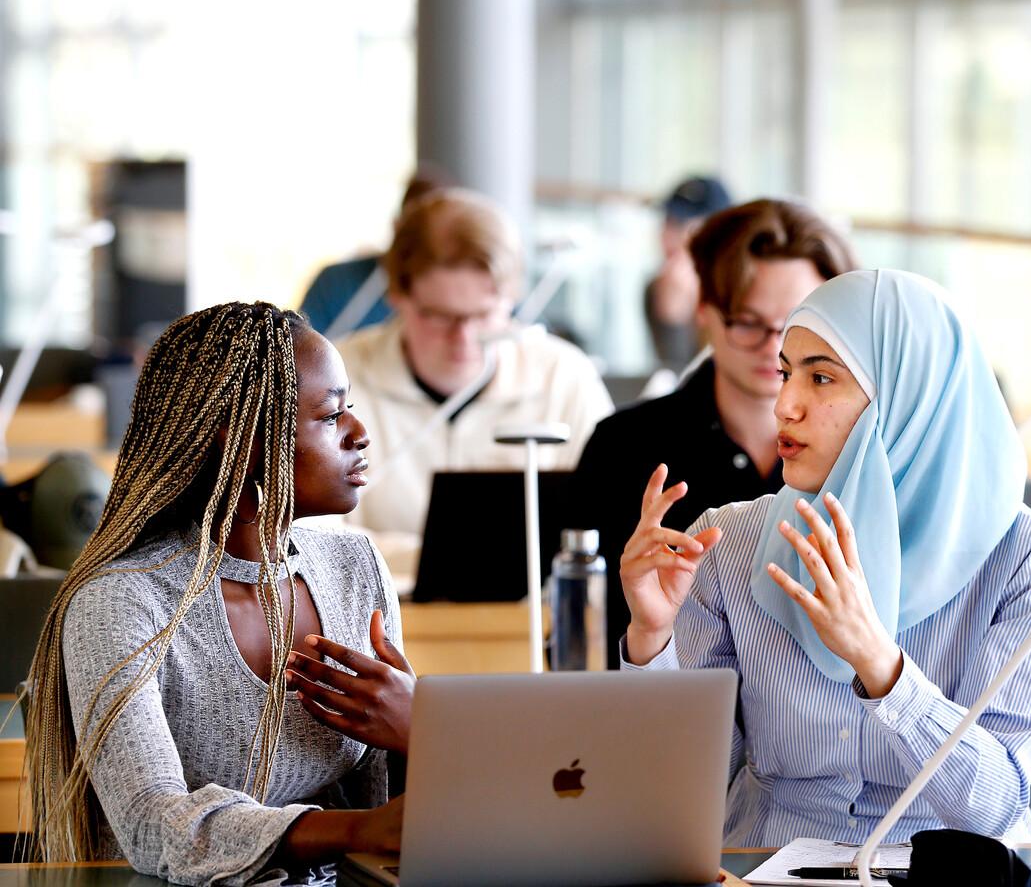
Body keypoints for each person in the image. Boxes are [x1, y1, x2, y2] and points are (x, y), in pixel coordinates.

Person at [620, 269, 1031, 846]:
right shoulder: (726, 542)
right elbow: (679, 791)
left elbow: (995, 807)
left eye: (820, 378)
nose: (784, 404)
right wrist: (653, 638)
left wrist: (878, 662)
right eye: (787, 373)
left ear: (908, 393)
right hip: (761, 873)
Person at [24, 302, 416, 883]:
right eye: (332, 416)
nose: (359, 433)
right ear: (249, 440)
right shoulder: (123, 601)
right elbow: (152, 824)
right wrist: (356, 830)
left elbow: (394, 817)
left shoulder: (355, 567)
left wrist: (420, 730)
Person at [574, 198, 856, 667]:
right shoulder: (621, 448)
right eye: (748, 322)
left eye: (798, 324)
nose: (776, 346)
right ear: (703, 308)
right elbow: (586, 649)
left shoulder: (866, 453)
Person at [336, 189, 613, 588]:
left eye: (483, 315)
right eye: (439, 316)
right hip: (373, 625)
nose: (463, 339)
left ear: (512, 296)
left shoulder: (564, 377)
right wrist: (445, 561)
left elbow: (604, 524)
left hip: (533, 627)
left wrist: (404, 557)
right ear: (397, 295)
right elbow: (311, 538)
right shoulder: (339, 381)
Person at [298, 172, 444, 338]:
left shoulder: (454, 307)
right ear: (396, 227)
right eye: (414, 235)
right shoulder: (335, 283)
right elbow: (300, 352)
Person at [645, 174, 732, 370]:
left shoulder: (742, 294)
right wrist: (672, 319)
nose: (667, 235)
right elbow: (675, 376)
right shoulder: (657, 289)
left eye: (681, 225)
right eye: (667, 222)